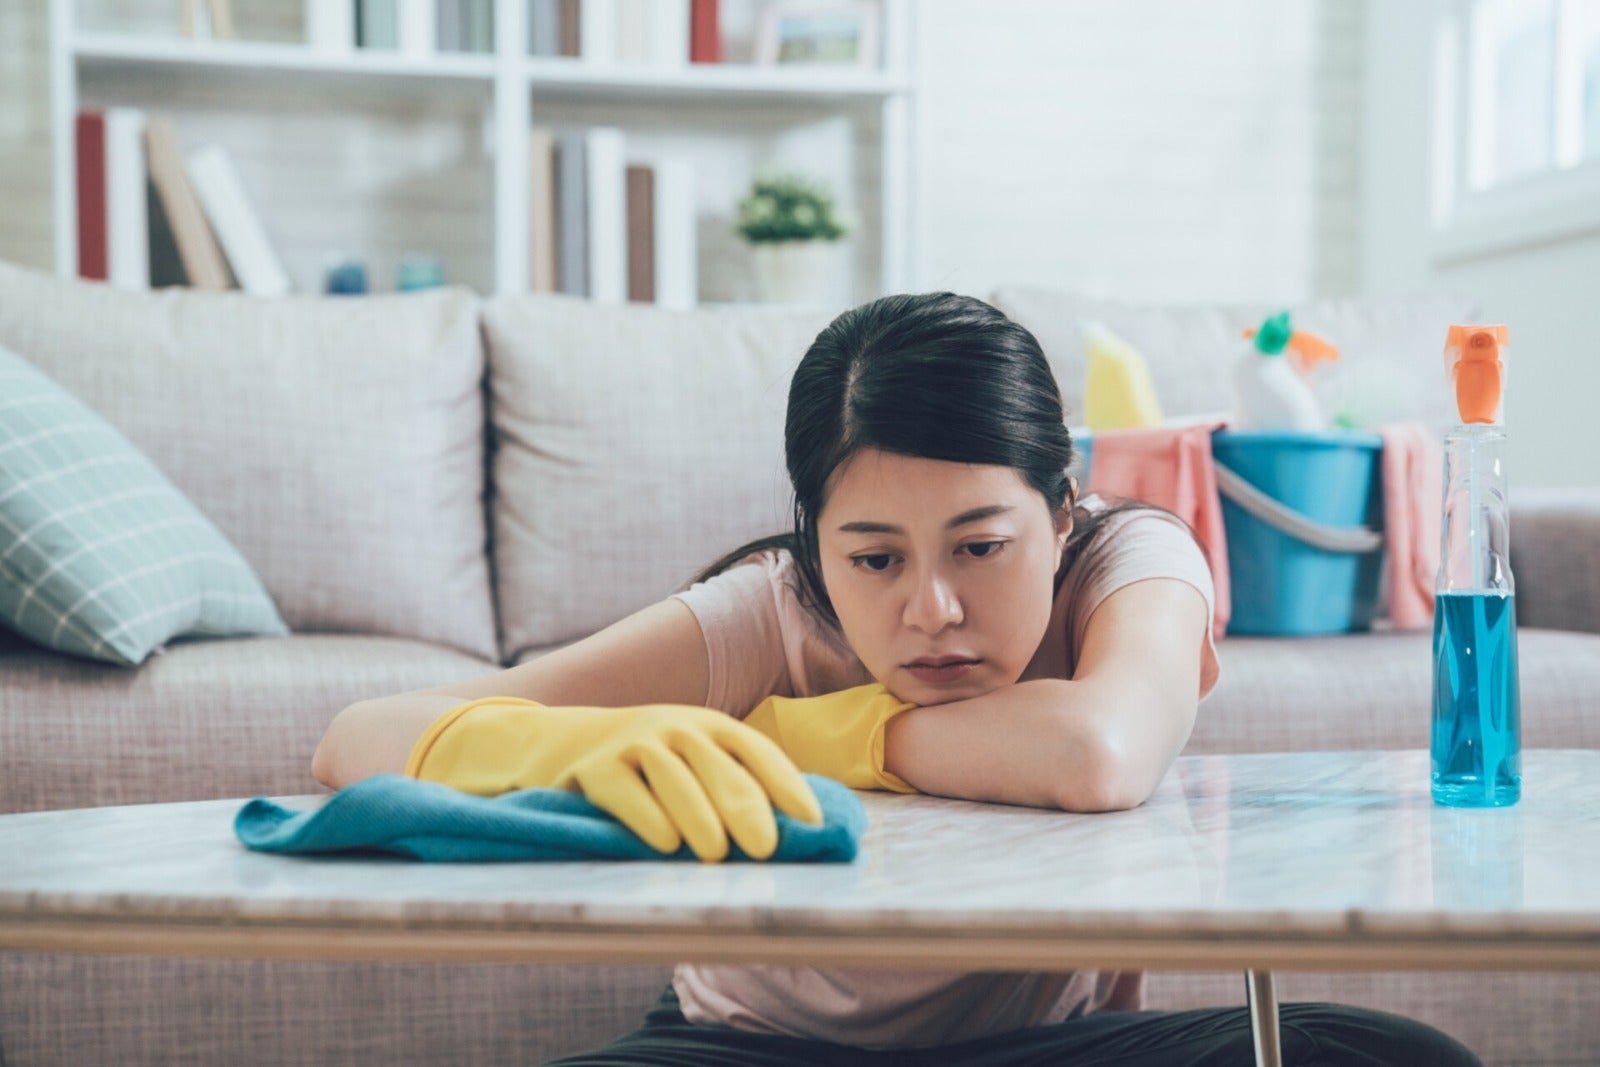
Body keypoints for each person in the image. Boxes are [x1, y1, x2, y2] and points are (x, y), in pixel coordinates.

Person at [313, 292, 1480, 1066]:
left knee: (1386, 1054)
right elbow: (360, 740)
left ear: (1061, 512)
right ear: (814, 543)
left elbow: (1097, 750)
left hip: (1036, 1051)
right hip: (748, 1045)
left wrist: (786, 736)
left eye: (981, 546)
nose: (931, 608)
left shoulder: (1131, 554)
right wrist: (568, 746)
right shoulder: (768, 606)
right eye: (873, 557)